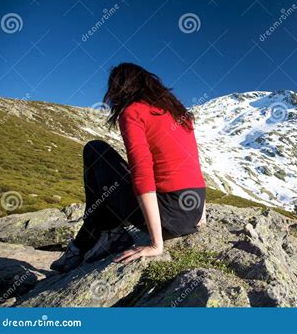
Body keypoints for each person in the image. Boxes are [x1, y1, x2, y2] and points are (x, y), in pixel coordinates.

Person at [51, 63, 206, 273]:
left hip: (169, 218)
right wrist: (200, 215)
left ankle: (93, 241)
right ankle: (85, 244)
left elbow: (143, 174)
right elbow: (192, 162)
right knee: (116, 174)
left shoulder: (133, 112)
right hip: (191, 211)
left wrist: (156, 244)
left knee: (95, 150)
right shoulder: (177, 114)